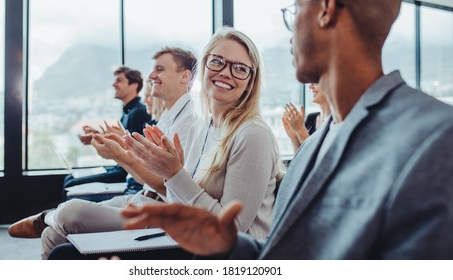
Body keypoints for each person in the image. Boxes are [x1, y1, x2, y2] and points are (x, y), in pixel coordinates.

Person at [121, 0, 453, 259]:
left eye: (295, 11)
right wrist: (227, 245)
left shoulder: (434, 139)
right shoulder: (312, 146)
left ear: (326, 9)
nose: (290, 32)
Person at [48, 26, 283, 260]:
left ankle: (47, 217)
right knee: (56, 239)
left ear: (251, 81)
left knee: (65, 245)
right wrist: (168, 175)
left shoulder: (252, 135)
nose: (226, 72)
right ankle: (49, 219)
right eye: (217, 61)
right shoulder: (204, 126)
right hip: (188, 236)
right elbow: (179, 198)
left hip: (222, 256)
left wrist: (173, 174)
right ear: (203, 66)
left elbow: (230, 230)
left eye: (240, 68)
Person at [8, 47, 198, 260]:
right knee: (51, 235)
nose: (151, 76)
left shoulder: (190, 122)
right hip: (141, 197)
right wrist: (119, 146)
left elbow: (170, 185)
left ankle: (46, 217)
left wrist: (120, 154)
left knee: (70, 212)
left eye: (160, 69)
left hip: (160, 207)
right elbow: (148, 166)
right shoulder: (168, 118)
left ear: (184, 76)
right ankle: (50, 219)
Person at [63, 66, 151, 194]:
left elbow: (132, 148)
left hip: (126, 171)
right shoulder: (128, 112)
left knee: (71, 182)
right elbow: (123, 139)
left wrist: (102, 137)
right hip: (119, 167)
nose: (114, 84)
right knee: (69, 178)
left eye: (119, 81)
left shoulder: (138, 112)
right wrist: (98, 136)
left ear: (134, 85)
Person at [282, 82, 330, 152]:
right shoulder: (311, 118)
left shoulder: (337, 123)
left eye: (315, 82)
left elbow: (320, 160)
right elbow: (300, 159)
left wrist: (300, 130)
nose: (310, 86)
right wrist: (294, 136)